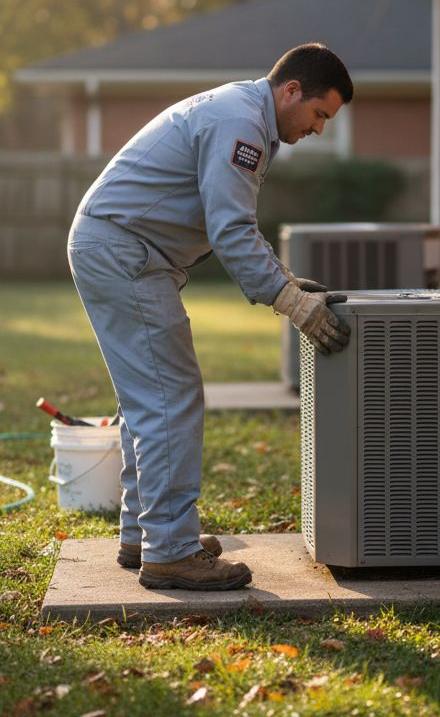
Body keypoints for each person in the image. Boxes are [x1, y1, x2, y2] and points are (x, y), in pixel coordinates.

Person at [66, 43, 353, 591]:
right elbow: (231, 231)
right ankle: (171, 551)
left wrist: (285, 280)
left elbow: (231, 223)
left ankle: (143, 536)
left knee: (149, 398)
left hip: (121, 248)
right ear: (290, 90)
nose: (318, 128)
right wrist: (293, 304)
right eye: (319, 114)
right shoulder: (241, 125)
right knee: (170, 397)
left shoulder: (243, 116)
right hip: (125, 252)